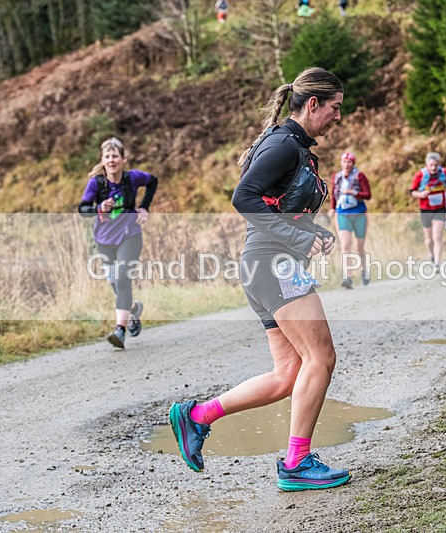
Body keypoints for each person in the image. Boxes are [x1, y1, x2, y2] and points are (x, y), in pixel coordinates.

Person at [168, 67, 351, 492]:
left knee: (288, 374)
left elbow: (278, 207)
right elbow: (244, 196)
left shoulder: (297, 148)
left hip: (266, 264)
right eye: (335, 108)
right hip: (272, 265)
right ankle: (297, 462)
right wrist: (293, 238)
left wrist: (311, 234)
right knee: (321, 359)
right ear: (312, 104)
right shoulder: (283, 145)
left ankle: (198, 417)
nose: (338, 116)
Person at [78, 137, 157, 350]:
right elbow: (82, 209)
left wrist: (144, 207)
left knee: (122, 278)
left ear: (123, 159)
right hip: (104, 240)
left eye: (115, 156)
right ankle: (132, 310)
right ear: (102, 160)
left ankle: (120, 330)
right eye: (107, 156)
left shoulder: (132, 178)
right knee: (115, 282)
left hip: (130, 235)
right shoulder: (97, 183)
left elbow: (152, 181)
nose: (111, 160)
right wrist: (100, 207)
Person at [330, 151, 371, 288]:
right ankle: (348, 277)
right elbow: (333, 194)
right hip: (342, 213)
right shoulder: (336, 176)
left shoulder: (360, 176)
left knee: (359, 246)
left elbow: (368, 194)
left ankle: (364, 270)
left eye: (349, 162)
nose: (347, 164)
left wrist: (354, 192)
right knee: (345, 245)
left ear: (353, 163)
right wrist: (332, 208)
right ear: (341, 162)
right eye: (344, 162)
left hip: (359, 213)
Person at [410, 152, 446, 267]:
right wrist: (421, 194)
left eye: (436, 165)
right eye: (431, 165)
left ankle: (437, 263)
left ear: (439, 164)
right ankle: (432, 255)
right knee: (429, 239)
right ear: (426, 164)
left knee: (437, 236)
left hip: (440, 208)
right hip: (425, 209)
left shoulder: (445, 173)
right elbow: (412, 192)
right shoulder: (420, 175)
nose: (433, 168)